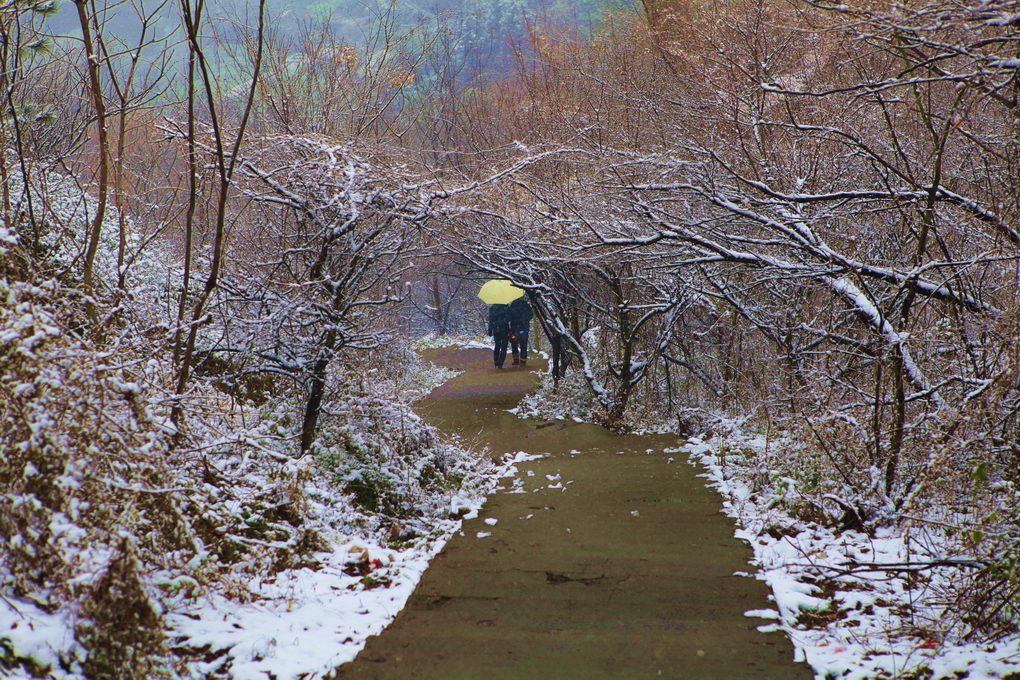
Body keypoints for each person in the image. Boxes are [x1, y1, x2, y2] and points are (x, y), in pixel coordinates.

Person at [508, 296, 532, 366]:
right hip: (524, 329)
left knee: (514, 344)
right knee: (523, 344)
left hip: (514, 329)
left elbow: (509, 317)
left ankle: (516, 360)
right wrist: (525, 320)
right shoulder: (526, 305)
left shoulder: (512, 305)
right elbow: (531, 315)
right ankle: (523, 361)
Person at [487, 303, 511, 369]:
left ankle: (496, 363)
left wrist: (490, 331)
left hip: (496, 330)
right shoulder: (506, 307)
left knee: (497, 346)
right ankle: (500, 363)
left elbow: (490, 320)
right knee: (504, 347)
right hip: (505, 329)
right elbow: (509, 318)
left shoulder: (492, 308)